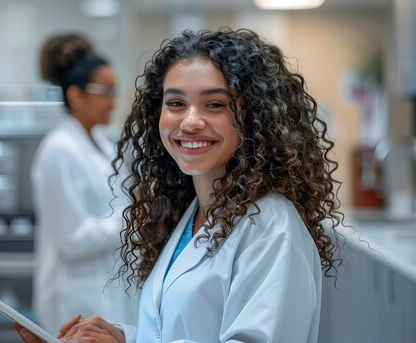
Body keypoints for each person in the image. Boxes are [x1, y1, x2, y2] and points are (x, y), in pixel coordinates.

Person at [18, 27, 344, 343]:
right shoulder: (192, 214)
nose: (189, 122)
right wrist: (123, 338)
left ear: (253, 117)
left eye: (214, 104)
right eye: (175, 103)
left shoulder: (270, 226)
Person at [30, 33, 137, 335]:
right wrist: (135, 219)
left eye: (115, 91)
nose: (113, 102)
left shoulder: (102, 144)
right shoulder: (59, 150)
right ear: (75, 95)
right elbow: (72, 240)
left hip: (108, 293)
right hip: (75, 299)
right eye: (104, 92)